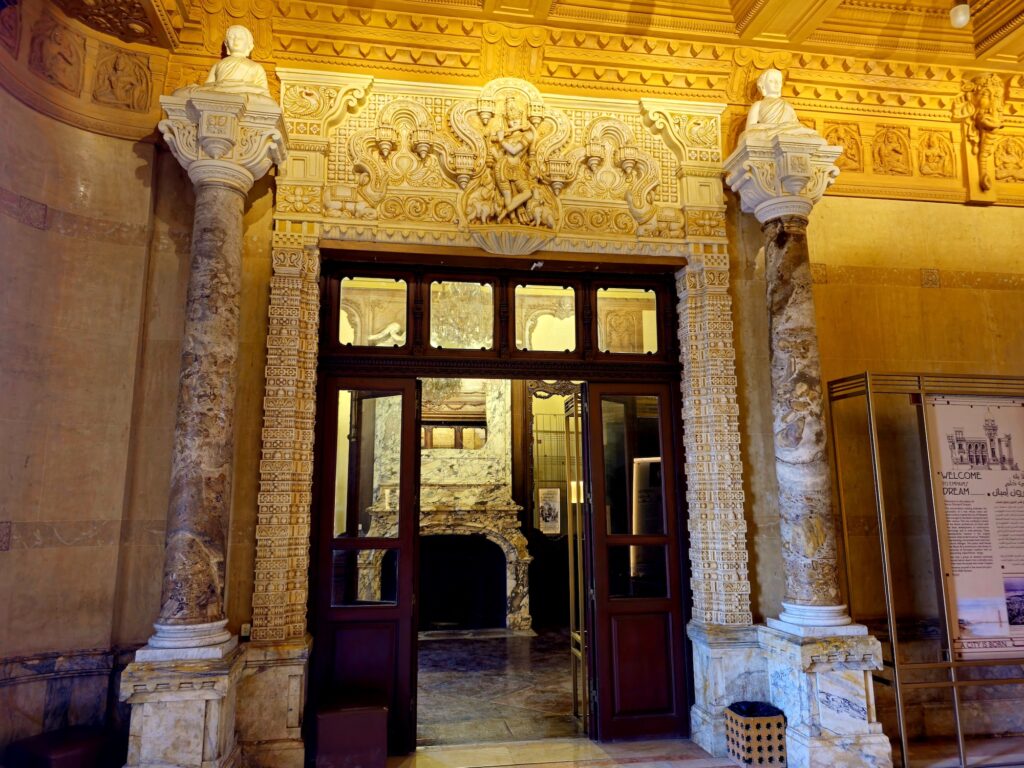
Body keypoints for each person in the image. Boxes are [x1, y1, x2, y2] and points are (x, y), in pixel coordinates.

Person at [202, 25, 270, 97]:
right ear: (226, 43)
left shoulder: (256, 67)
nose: (235, 40)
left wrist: (245, 88)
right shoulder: (218, 65)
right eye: (231, 37)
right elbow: (207, 86)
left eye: (240, 38)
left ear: (249, 44)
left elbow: (264, 92)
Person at [745, 68, 806, 133]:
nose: (776, 83)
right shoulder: (758, 105)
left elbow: (796, 126)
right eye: (771, 81)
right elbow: (749, 129)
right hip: (768, 136)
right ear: (763, 86)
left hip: (787, 136)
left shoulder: (787, 105)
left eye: (779, 81)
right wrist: (775, 127)